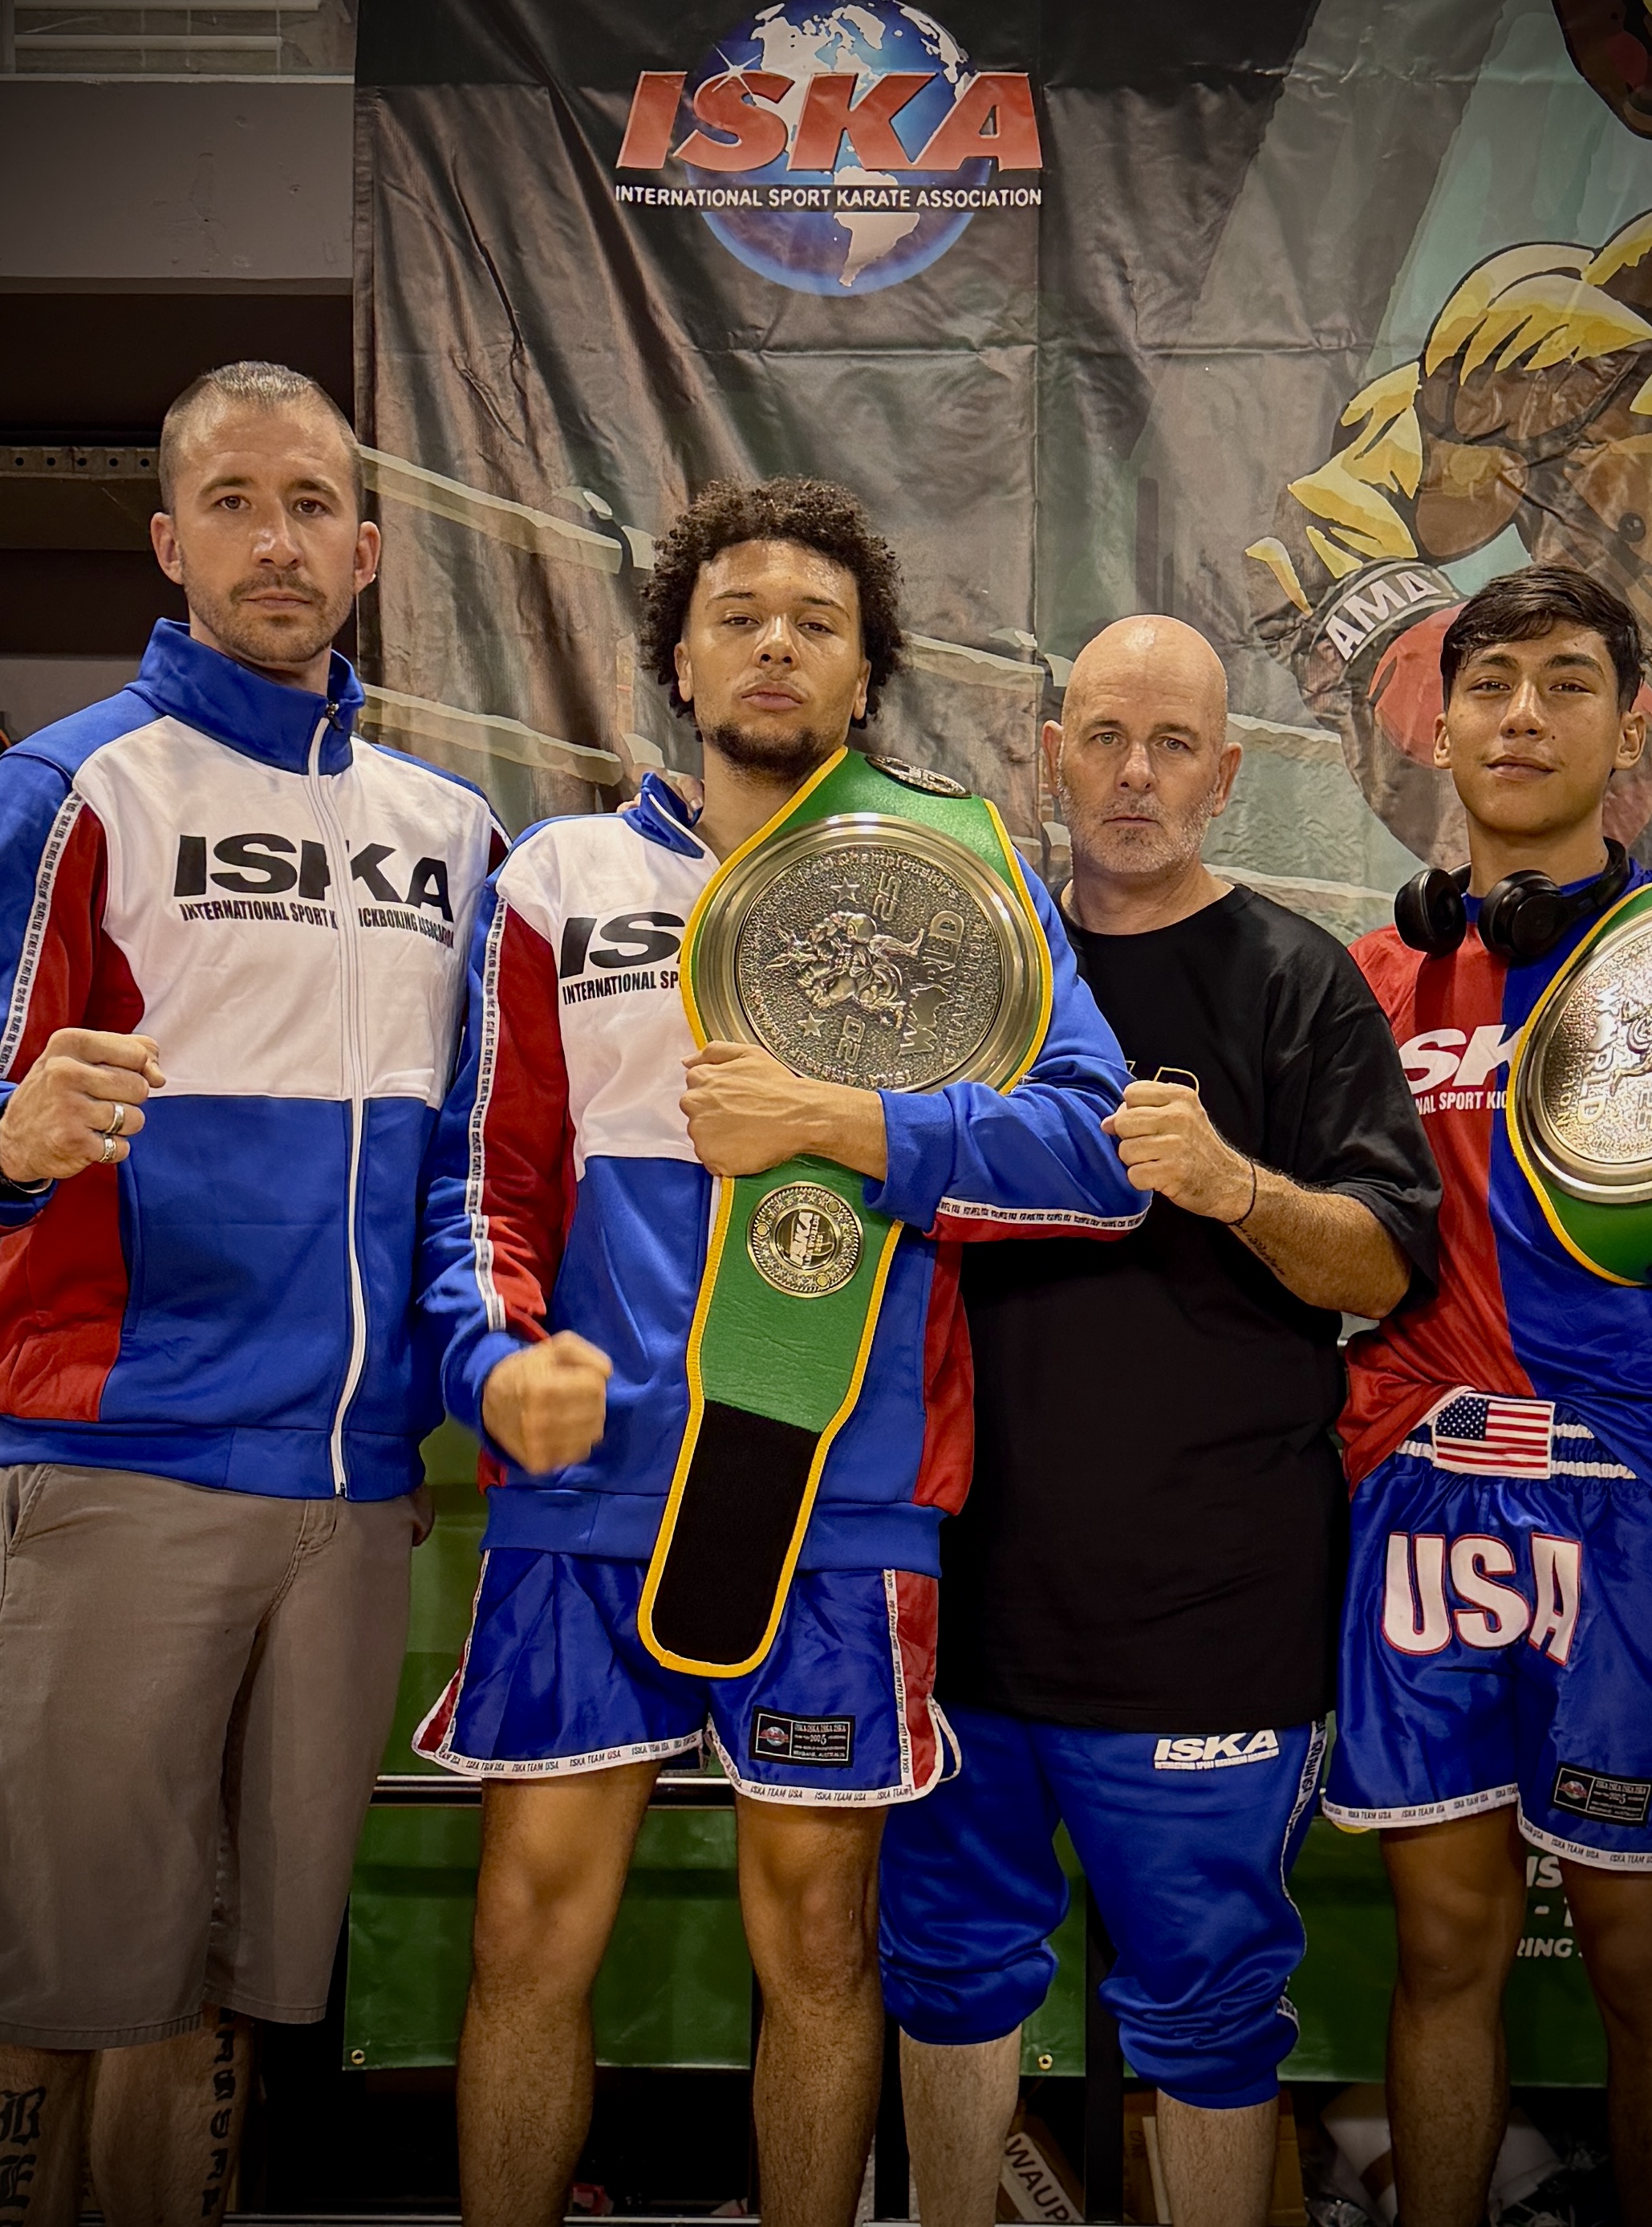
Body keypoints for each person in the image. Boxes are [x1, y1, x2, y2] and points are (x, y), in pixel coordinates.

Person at [413, 478, 1144, 2227]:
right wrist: (490, 1363)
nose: (773, 646)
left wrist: (849, 1121)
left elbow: (1097, 1158)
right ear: (674, 657)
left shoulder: (957, 877)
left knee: (819, 1942)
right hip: (593, 1486)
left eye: (817, 623)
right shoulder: (559, 877)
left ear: (864, 672)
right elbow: (482, 1181)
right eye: (735, 616)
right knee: (525, 1931)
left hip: (837, 1485)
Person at [0, 362, 501, 2225]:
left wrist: (458, 1385)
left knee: (231, 1988)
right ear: (167, 541)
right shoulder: (69, 789)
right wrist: (7, 1142)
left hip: (353, 1497)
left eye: (309, 504)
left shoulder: (452, 833)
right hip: (120, 1454)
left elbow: (466, 1170)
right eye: (232, 502)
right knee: (59, 1983)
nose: (274, 540)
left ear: (365, 550)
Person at [878, 615, 1440, 2227]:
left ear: (1225, 774)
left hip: (1207, 1609)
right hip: (960, 1588)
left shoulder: (1292, 979)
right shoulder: (965, 969)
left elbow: (1383, 1260)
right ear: (1048, 756)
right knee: (947, 1976)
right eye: (1106, 739)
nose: (1134, 774)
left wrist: (1233, 1186)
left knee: (1206, 2008)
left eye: (1172, 744)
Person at [1327, 563, 1652, 2227]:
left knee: (1642, 1944)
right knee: (1442, 1943)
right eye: (1488, 684)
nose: (1520, 716)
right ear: (1437, 726)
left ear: (1628, 725)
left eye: (1565, 682)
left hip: (1633, 1490)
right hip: (1419, 1480)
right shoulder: (1367, 974)